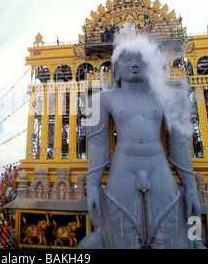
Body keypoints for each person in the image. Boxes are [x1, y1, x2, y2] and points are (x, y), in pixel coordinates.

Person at [79, 28, 201, 249]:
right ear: (116, 67)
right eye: (127, 59)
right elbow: (97, 147)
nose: (134, 63)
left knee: (170, 233)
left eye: (140, 58)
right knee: (122, 234)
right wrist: (92, 186)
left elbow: (180, 145)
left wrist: (190, 186)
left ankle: (189, 240)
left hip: (158, 166)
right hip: (123, 168)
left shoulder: (168, 97)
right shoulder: (100, 100)